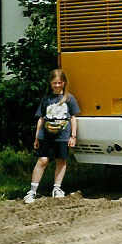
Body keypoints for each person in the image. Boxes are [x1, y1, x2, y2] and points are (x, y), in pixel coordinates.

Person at [24, 69, 79, 204]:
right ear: (50, 83)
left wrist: (73, 136)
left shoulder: (69, 99)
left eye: (59, 82)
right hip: (46, 136)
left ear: (64, 83)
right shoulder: (46, 99)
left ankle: (57, 188)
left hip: (62, 136)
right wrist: (37, 137)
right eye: (54, 83)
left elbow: (73, 118)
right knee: (43, 160)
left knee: (61, 161)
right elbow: (41, 119)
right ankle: (32, 191)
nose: (57, 85)